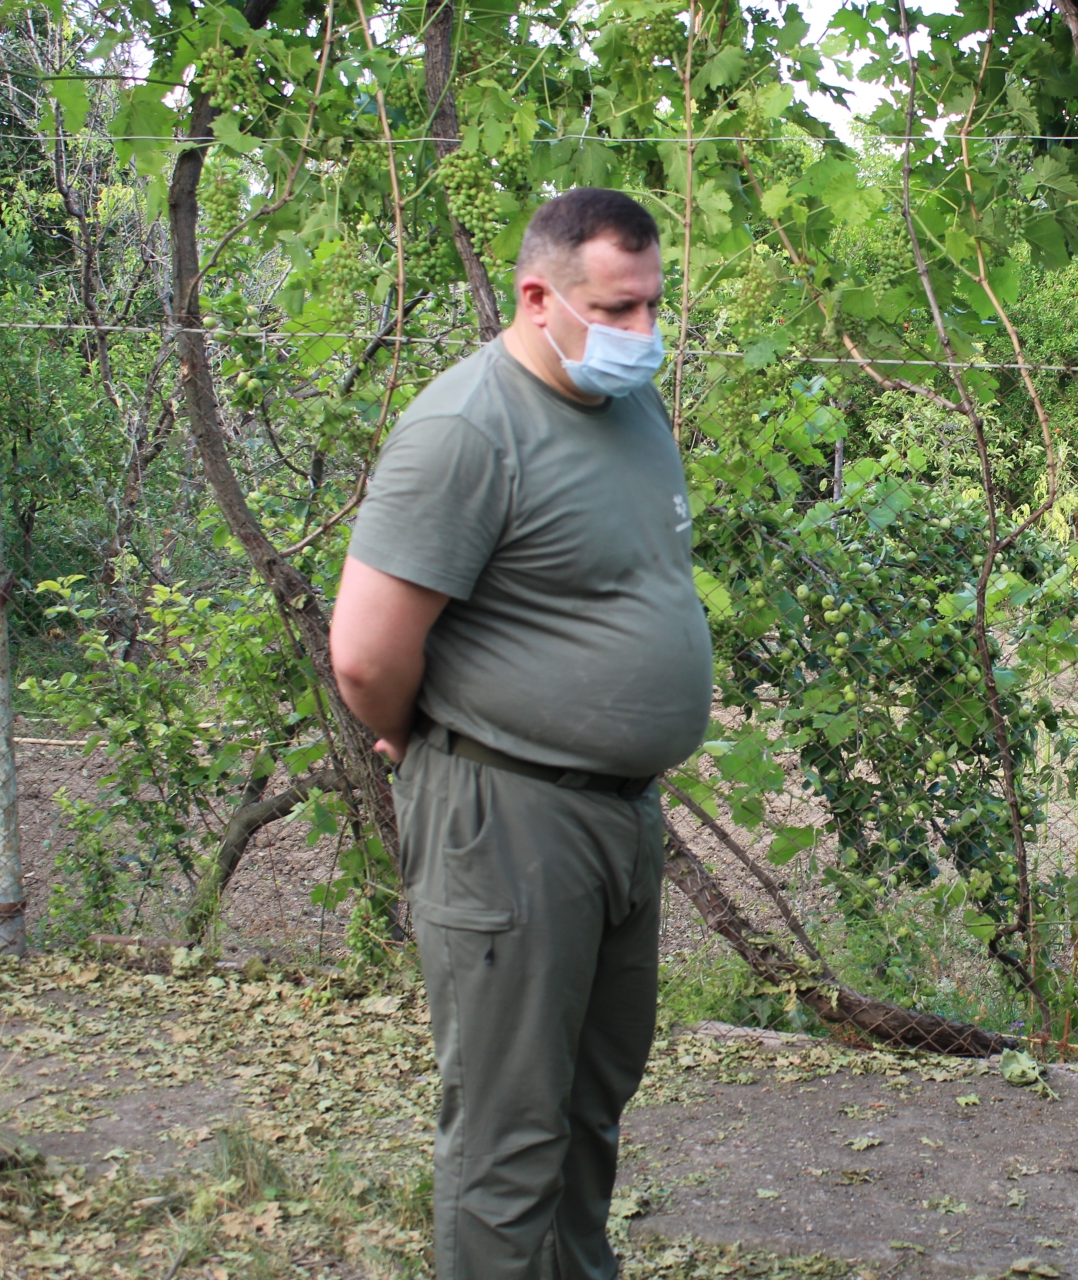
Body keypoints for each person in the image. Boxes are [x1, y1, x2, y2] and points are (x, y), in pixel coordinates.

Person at [329, 187, 713, 1280]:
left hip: (617, 817)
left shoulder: (630, 407)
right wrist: (422, 738)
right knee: (510, 1133)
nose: (644, 331)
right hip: (509, 816)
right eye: (618, 308)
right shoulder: (466, 430)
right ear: (539, 297)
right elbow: (364, 654)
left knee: (592, 1103)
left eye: (654, 304)